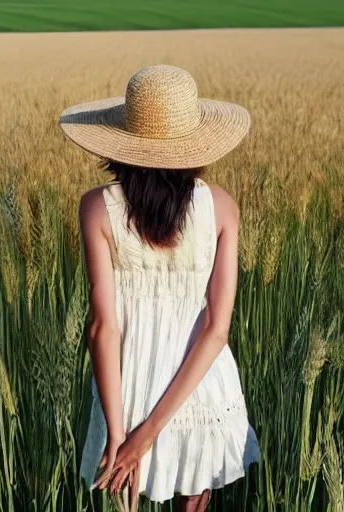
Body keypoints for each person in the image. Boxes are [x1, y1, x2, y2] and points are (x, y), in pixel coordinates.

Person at [59, 64, 261, 512]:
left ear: (123, 142)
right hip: (200, 387)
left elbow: (102, 329)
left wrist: (119, 431)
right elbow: (216, 329)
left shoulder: (97, 208)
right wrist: (151, 433)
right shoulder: (222, 208)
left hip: (126, 391)